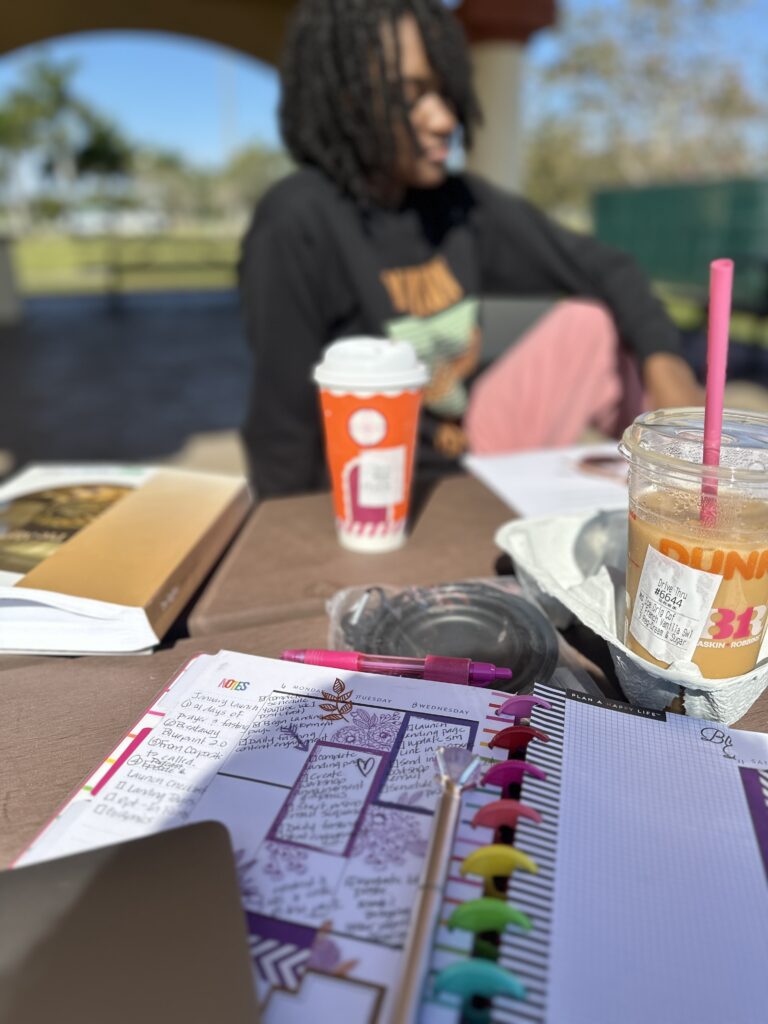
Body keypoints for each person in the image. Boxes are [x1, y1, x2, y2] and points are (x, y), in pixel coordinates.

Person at [239, 0, 703, 499]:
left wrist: (667, 368)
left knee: (590, 323)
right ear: (349, 98)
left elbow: (607, 267)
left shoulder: (462, 206)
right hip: (377, 490)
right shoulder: (298, 220)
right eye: (413, 95)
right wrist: (291, 549)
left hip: (472, 452)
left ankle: (683, 489)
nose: (443, 119)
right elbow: (281, 428)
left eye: (446, 91)